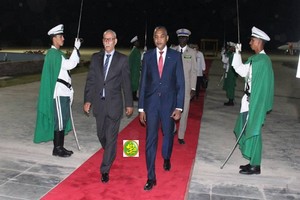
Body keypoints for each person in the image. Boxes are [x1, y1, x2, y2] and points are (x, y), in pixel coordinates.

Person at [83, 29, 133, 183]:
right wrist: (87, 100)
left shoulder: (122, 60)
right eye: (105, 39)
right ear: (103, 41)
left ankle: (105, 170)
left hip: (114, 105)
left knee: (111, 138)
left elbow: (126, 84)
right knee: (101, 135)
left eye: (110, 39)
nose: (107, 42)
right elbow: (91, 81)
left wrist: (129, 104)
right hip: (99, 105)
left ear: (115, 41)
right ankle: (110, 152)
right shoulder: (96, 58)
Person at [138, 26, 185, 190]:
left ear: (167, 38)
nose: (159, 39)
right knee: (150, 140)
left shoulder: (175, 56)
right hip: (151, 105)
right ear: (153, 38)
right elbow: (143, 82)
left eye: (162, 36)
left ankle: (166, 157)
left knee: (168, 133)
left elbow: (180, 83)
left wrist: (179, 107)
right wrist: (141, 108)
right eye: (156, 36)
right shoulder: (148, 56)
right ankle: (151, 177)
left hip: (169, 104)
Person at [33, 24, 81, 157]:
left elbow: (67, 68)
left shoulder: (57, 54)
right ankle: (57, 148)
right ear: (54, 38)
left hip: (64, 92)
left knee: (63, 120)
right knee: (59, 121)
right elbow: (70, 64)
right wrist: (76, 48)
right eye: (61, 36)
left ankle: (60, 147)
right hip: (58, 94)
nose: (63, 38)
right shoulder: (54, 54)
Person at [231, 26, 274, 175]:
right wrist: (237, 51)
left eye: (252, 40)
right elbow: (240, 69)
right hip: (249, 102)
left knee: (254, 133)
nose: (250, 42)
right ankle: (252, 162)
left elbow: (263, 88)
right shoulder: (257, 60)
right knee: (249, 130)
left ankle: (256, 166)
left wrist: (256, 103)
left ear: (259, 42)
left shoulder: (261, 61)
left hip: (254, 103)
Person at [171, 28, 197, 144]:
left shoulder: (192, 53)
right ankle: (172, 129)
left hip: (186, 88)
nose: (182, 39)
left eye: (184, 37)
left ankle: (181, 136)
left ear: (187, 38)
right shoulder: (172, 50)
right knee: (171, 110)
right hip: (173, 88)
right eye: (180, 37)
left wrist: (193, 88)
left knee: (184, 112)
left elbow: (194, 71)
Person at [221, 42, 238, 106]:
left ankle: (231, 100)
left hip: (231, 72)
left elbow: (225, 61)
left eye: (229, 47)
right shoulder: (231, 54)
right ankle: (230, 99)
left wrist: (223, 54)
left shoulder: (233, 55)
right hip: (230, 72)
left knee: (230, 86)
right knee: (229, 86)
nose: (228, 48)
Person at [128, 35, 141, 101]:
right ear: (135, 43)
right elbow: (129, 62)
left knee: (135, 84)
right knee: (133, 84)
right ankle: (133, 97)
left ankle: (134, 96)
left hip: (136, 70)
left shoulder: (136, 51)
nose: (138, 43)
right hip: (133, 71)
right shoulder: (134, 51)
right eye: (137, 42)